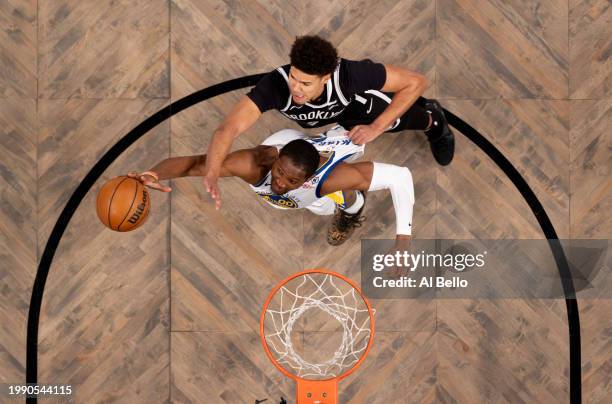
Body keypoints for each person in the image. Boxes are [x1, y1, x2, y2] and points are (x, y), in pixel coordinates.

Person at [202, 35, 453, 213]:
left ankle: (434, 121)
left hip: (355, 107)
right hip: (334, 119)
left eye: (305, 84)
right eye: (294, 77)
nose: (296, 89)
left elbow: (416, 82)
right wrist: (213, 171)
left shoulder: (351, 75)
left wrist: (376, 127)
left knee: (393, 118)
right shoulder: (276, 86)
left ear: (326, 78)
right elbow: (228, 129)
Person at [129, 126, 414, 246]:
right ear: (274, 162)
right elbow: (193, 164)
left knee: (336, 199)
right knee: (314, 204)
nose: (279, 184)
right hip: (288, 143)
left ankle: (353, 207)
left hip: (324, 179)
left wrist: (403, 241)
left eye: (291, 181)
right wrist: (153, 173)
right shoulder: (254, 165)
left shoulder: (328, 178)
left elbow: (401, 177)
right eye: (278, 174)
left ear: (308, 177)